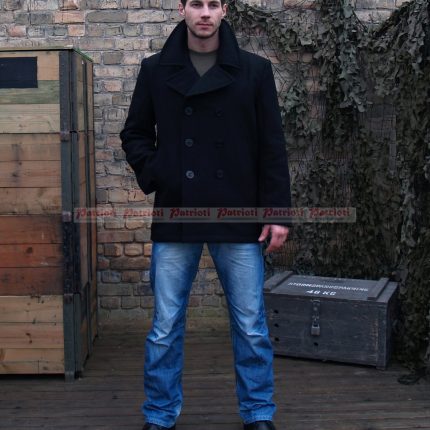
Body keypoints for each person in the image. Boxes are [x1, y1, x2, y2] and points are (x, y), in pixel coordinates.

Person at [120, 0, 291, 429]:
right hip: (177, 211)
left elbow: (272, 145)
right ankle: (160, 414)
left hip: (238, 212)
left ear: (224, 10)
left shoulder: (254, 70)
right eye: (196, 3)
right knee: (165, 325)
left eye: (213, 4)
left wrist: (276, 213)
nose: (205, 13)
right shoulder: (155, 69)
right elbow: (135, 133)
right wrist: (162, 172)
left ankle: (258, 413)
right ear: (182, 9)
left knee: (251, 324)